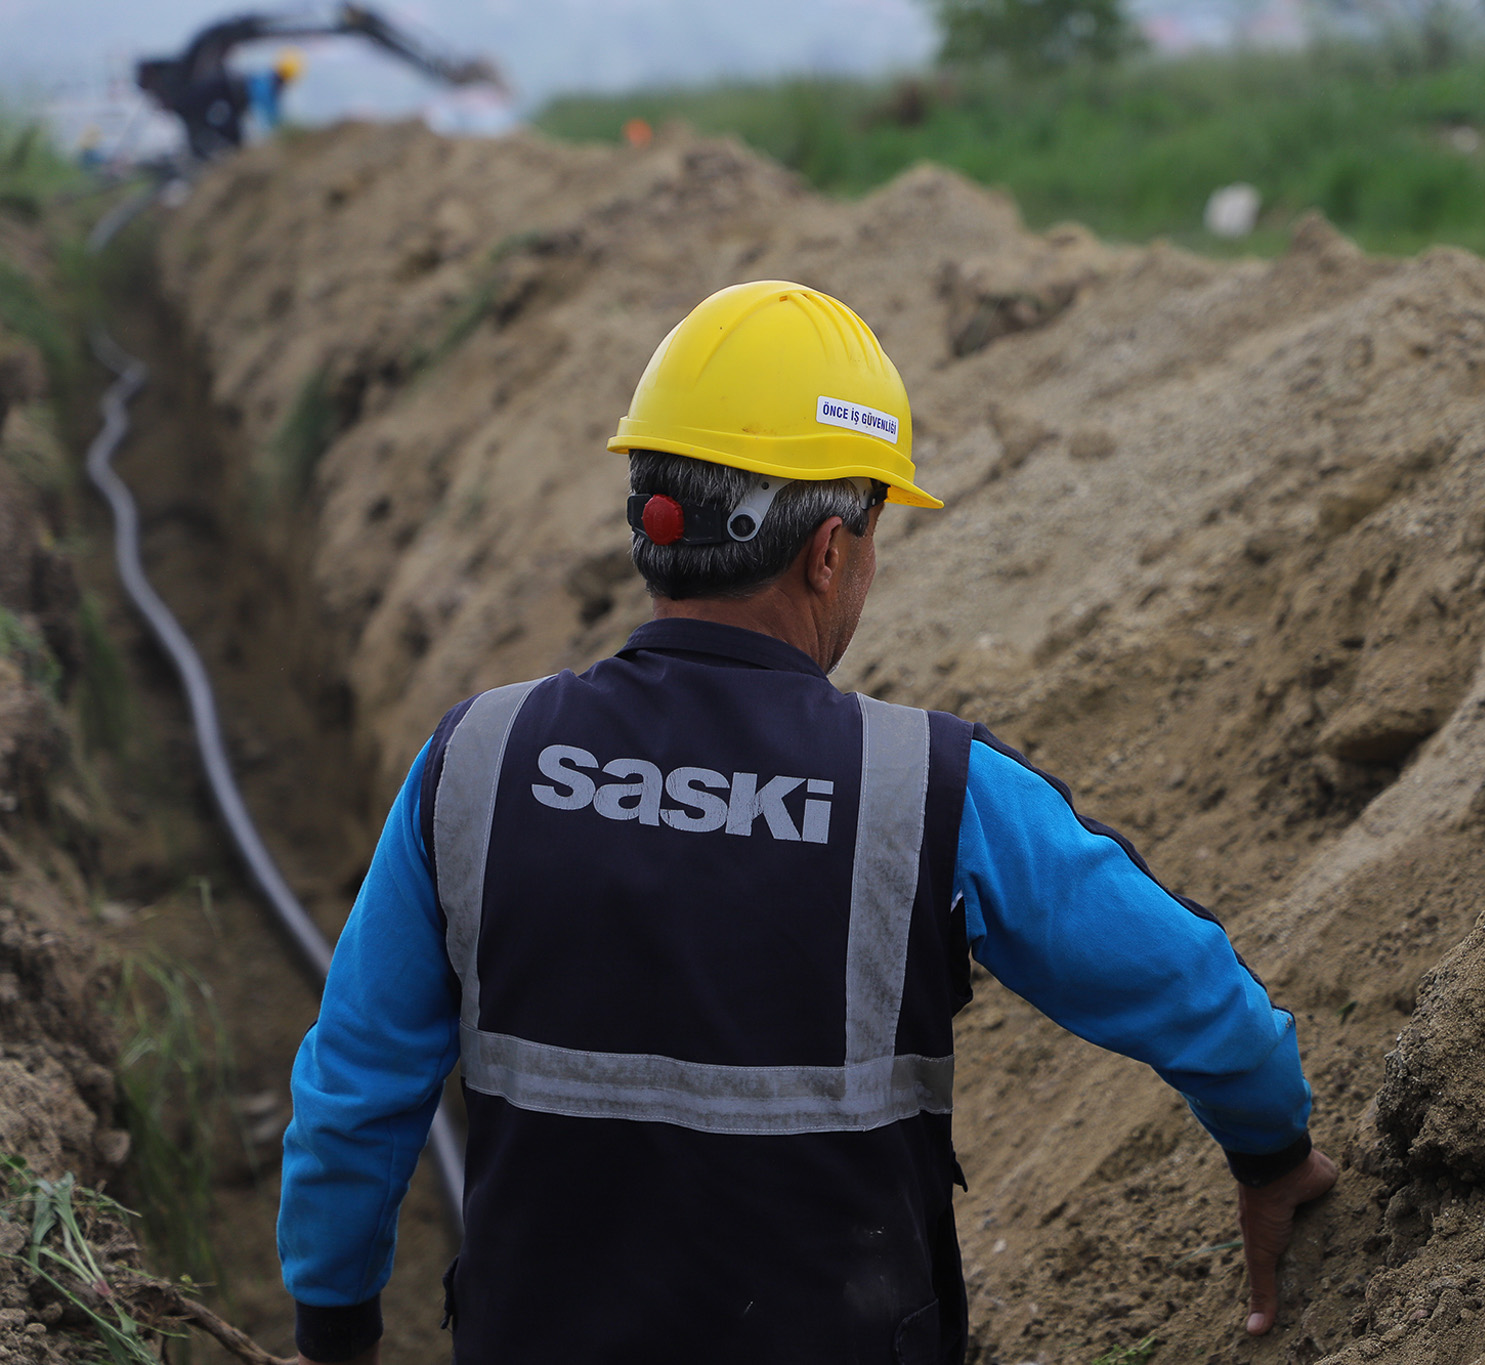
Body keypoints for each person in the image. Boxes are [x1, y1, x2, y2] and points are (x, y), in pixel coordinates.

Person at [278, 280, 1338, 1365]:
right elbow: (1191, 990)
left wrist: (333, 1332)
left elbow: (354, 1091)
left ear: (654, 521)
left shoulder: (476, 761)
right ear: (827, 550)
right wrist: (1272, 1155)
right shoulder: (932, 788)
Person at [135, 24, 302, 161]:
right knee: (226, 131)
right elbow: (271, 115)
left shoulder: (262, 79)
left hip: (221, 95)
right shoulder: (266, 84)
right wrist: (282, 137)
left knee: (225, 130)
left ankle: (227, 155)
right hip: (223, 94)